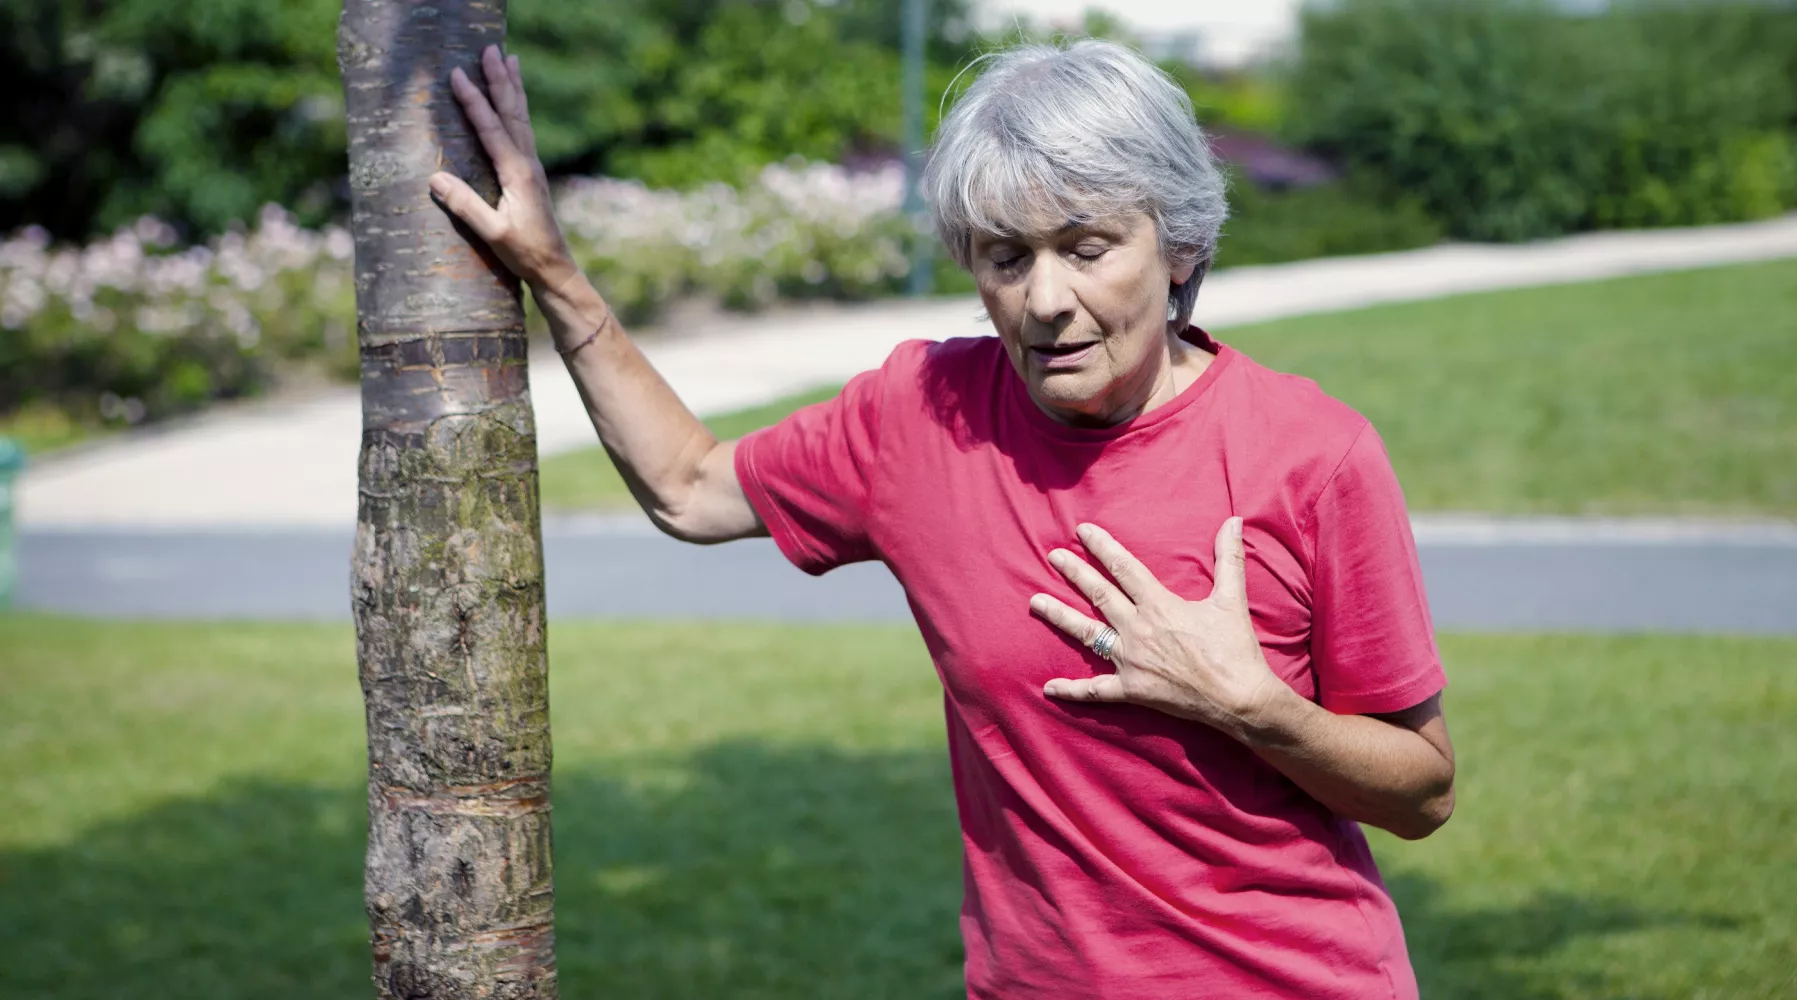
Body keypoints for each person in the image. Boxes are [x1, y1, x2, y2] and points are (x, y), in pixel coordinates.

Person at [431, 38, 1455, 1000]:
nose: (1045, 297)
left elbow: (1422, 792)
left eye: (1087, 247)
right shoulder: (922, 415)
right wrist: (554, 273)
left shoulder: (1312, 454)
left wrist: (1254, 707)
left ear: (1180, 247)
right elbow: (690, 487)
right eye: (1006, 257)